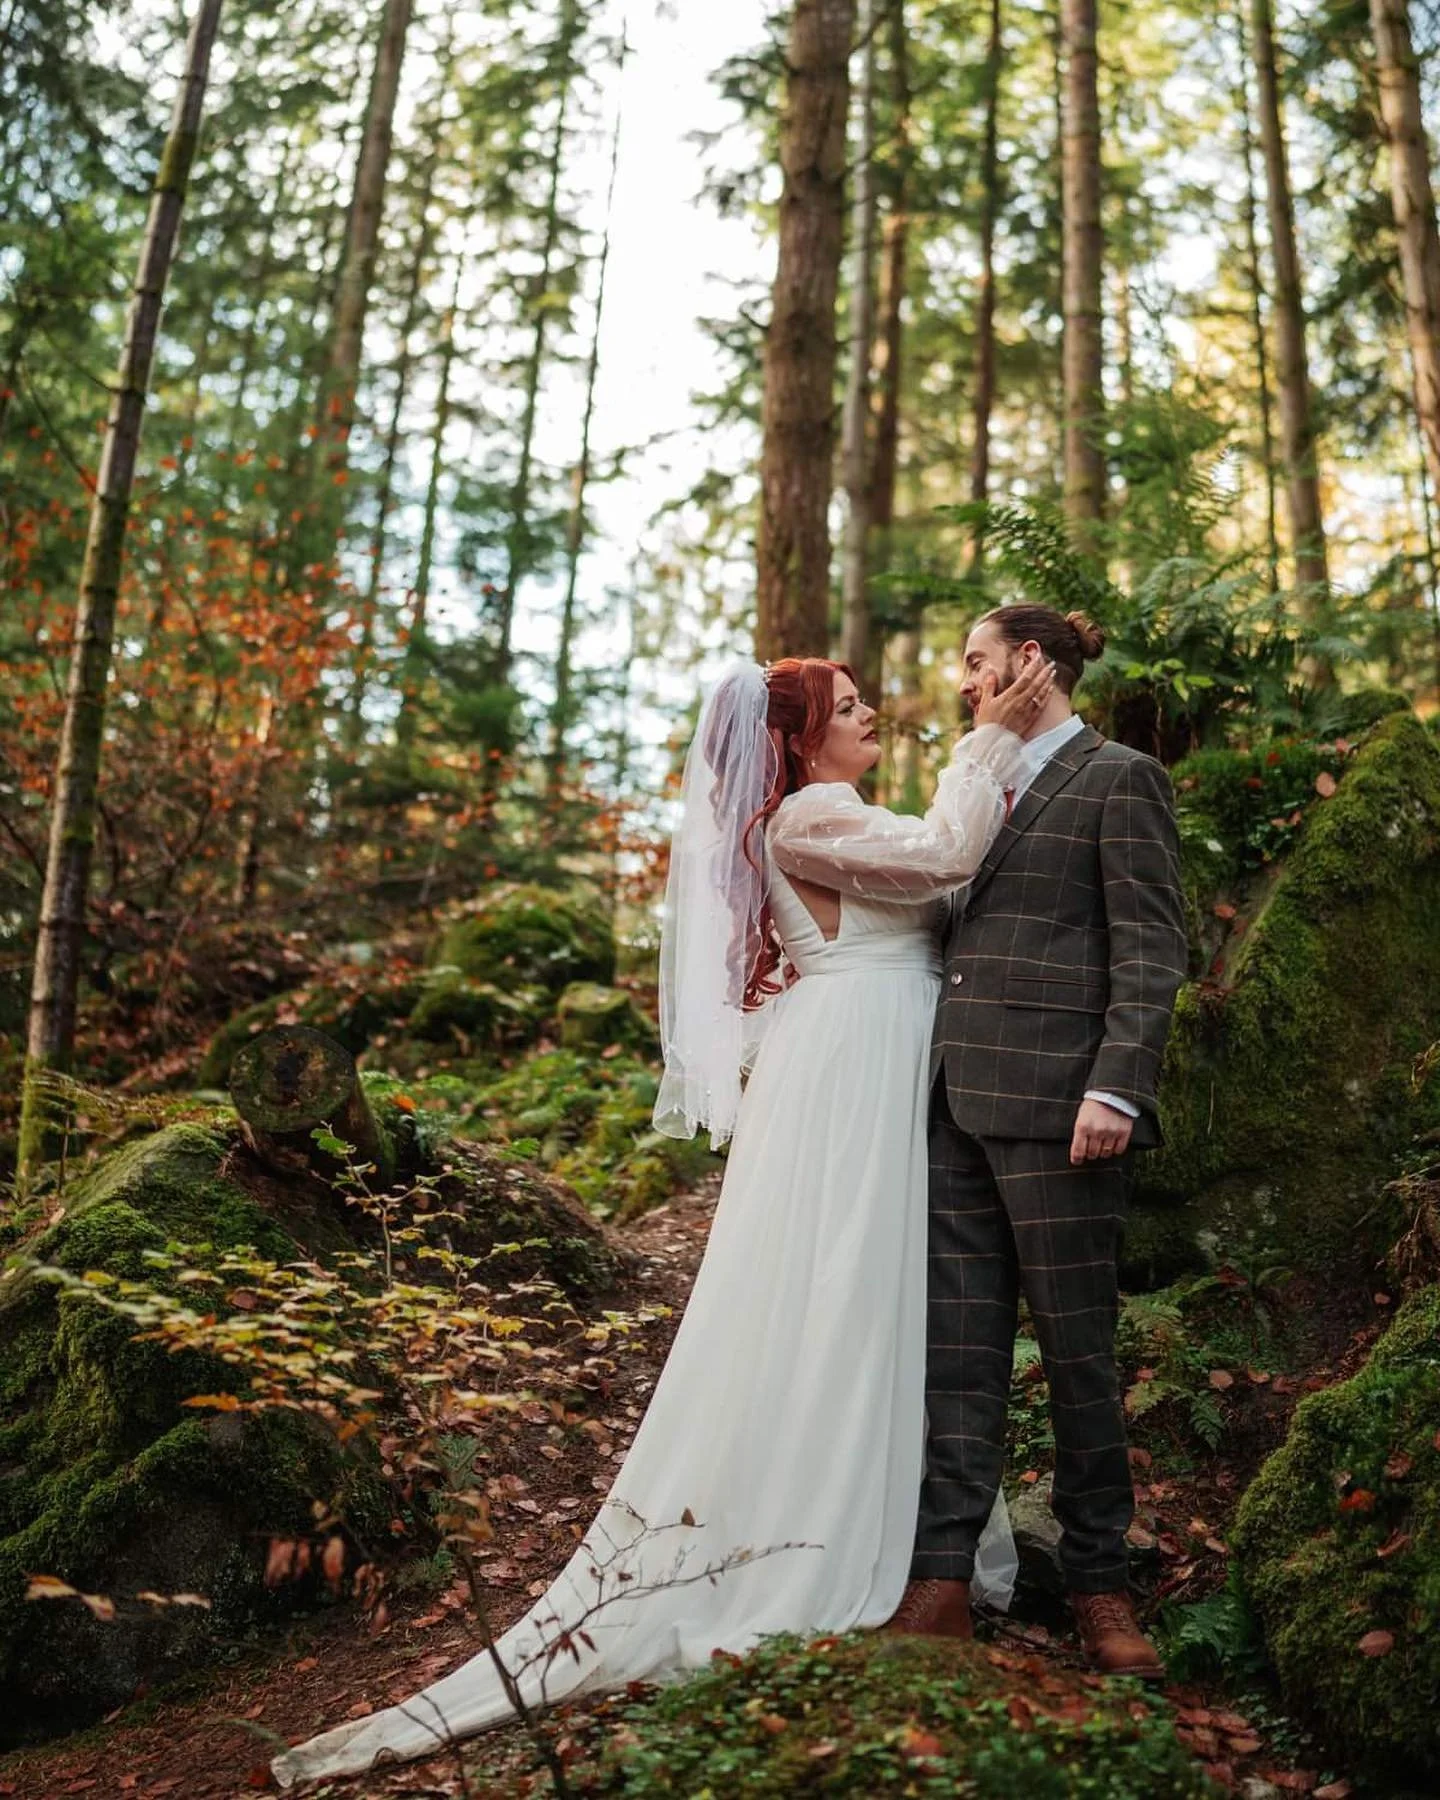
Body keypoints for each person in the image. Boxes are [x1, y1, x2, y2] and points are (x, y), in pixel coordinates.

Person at [271, 650, 1053, 1789]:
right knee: (838, 1295)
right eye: (847, 706)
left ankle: (901, 1522)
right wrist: (993, 743)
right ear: (796, 741)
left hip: (879, 1062)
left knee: (882, 1296)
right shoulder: (798, 825)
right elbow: (943, 854)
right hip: (847, 1076)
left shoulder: (838, 810)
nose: (872, 710)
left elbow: (943, 882)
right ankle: (814, 1536)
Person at [886, 605, 1188, 1680]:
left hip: (1067, 1114)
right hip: (952, 1107)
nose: (964, 681)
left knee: (1076, 1354)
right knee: (956, 1359)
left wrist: (1117, 1086)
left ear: (1029, 664)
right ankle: (944, 1578)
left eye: (976, 662)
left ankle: (1102, 1586)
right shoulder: (973, 777)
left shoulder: (1120, 777)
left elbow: (1152, 949)